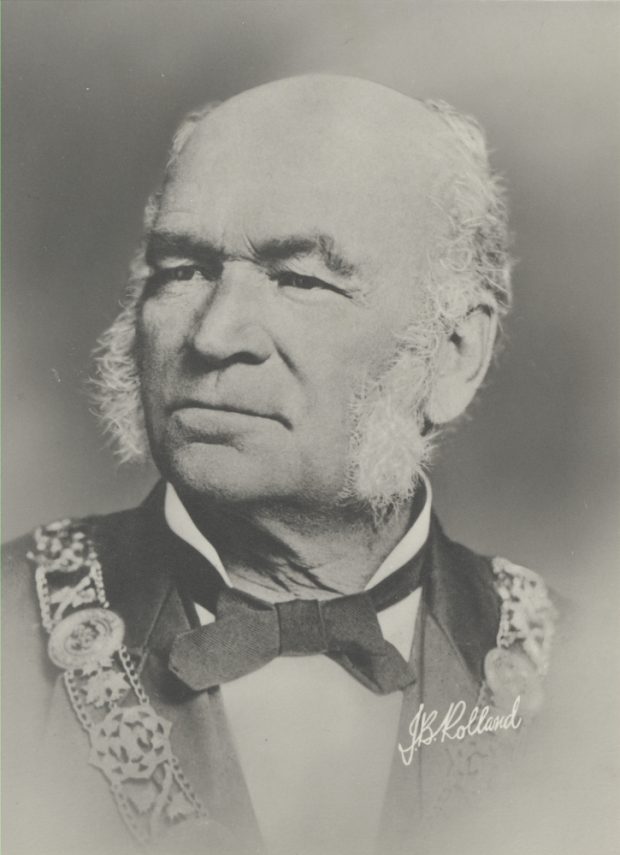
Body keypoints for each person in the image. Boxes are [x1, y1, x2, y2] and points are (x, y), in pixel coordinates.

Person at [3, 75, 558, 855]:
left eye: (300, 279)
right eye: (182, 270)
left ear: (455, 353)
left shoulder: (587, 678)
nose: (215, 334)